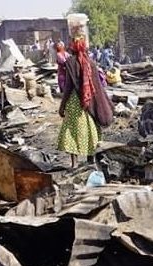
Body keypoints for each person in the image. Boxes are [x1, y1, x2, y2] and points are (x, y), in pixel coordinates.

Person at [58, 36, 112, 168]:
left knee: (72, 130)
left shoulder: (70, 62)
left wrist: (62, 105)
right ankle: (91, 158)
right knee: (90, 128)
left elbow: (68, 87)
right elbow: (98, 85)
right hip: (89, 102)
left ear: (74, 47)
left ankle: (74, 163)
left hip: (75, 101)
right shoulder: (91, 62)